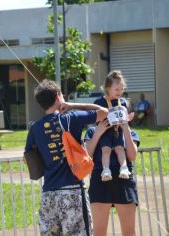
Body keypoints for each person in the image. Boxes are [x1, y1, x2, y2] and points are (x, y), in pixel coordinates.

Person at [24, 79, 108, 236]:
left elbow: (27, 159)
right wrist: (72, 105)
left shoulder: (35, 129)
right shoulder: (71, 118)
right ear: (58, 96)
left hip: (48, 195)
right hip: (72, 192)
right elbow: (104, 112)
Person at [84, 119, 139, 236]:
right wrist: (98, 133)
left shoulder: (129, 131)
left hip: (124, 180)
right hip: (100, 179)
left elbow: (132, 156)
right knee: (99, 233)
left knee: (129, 233)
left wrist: (125, 129)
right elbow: (87, 155)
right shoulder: (92, 131)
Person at [94, 70, 134, 181]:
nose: (119, 92)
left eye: (122, 89)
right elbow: (95, 117)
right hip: (105, 131)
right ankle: (106, 170)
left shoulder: (123, 102)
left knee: (120, 149)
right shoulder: (99, 102)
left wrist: (128, 119)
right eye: (116, 89)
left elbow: (124, 117)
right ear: (107, 88)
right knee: (105, 150)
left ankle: (124, 168)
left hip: (118, 131)